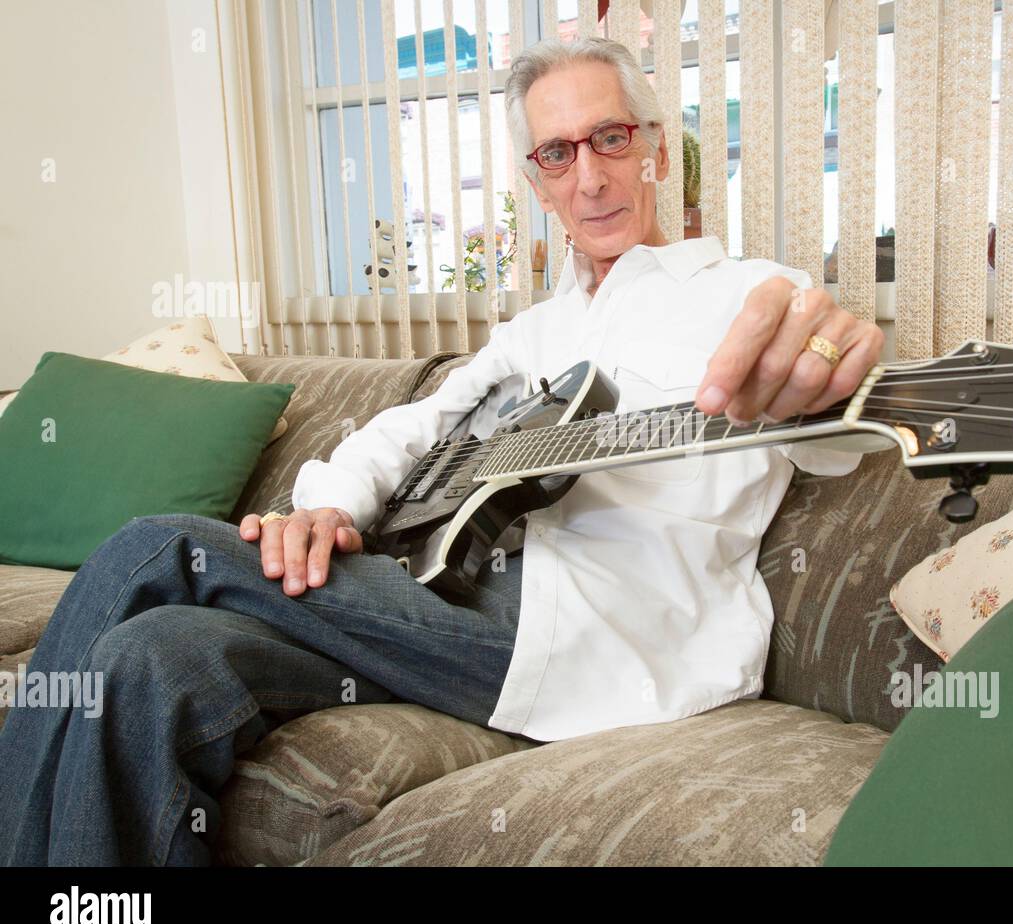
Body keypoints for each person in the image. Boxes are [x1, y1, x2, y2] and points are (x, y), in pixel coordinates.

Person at [0, 36, 882, 866]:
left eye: (609, 137)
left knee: (154, 550)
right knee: (149, 661)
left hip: (606, 634)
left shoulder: (756, 295)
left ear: (653, 144)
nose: (590, 176)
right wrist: (331, 506)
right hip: (452, 600)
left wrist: (836, 376)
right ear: (535, 181)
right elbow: (418, 423)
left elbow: (830, 414)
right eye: (557, 153)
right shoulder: (534, 332)